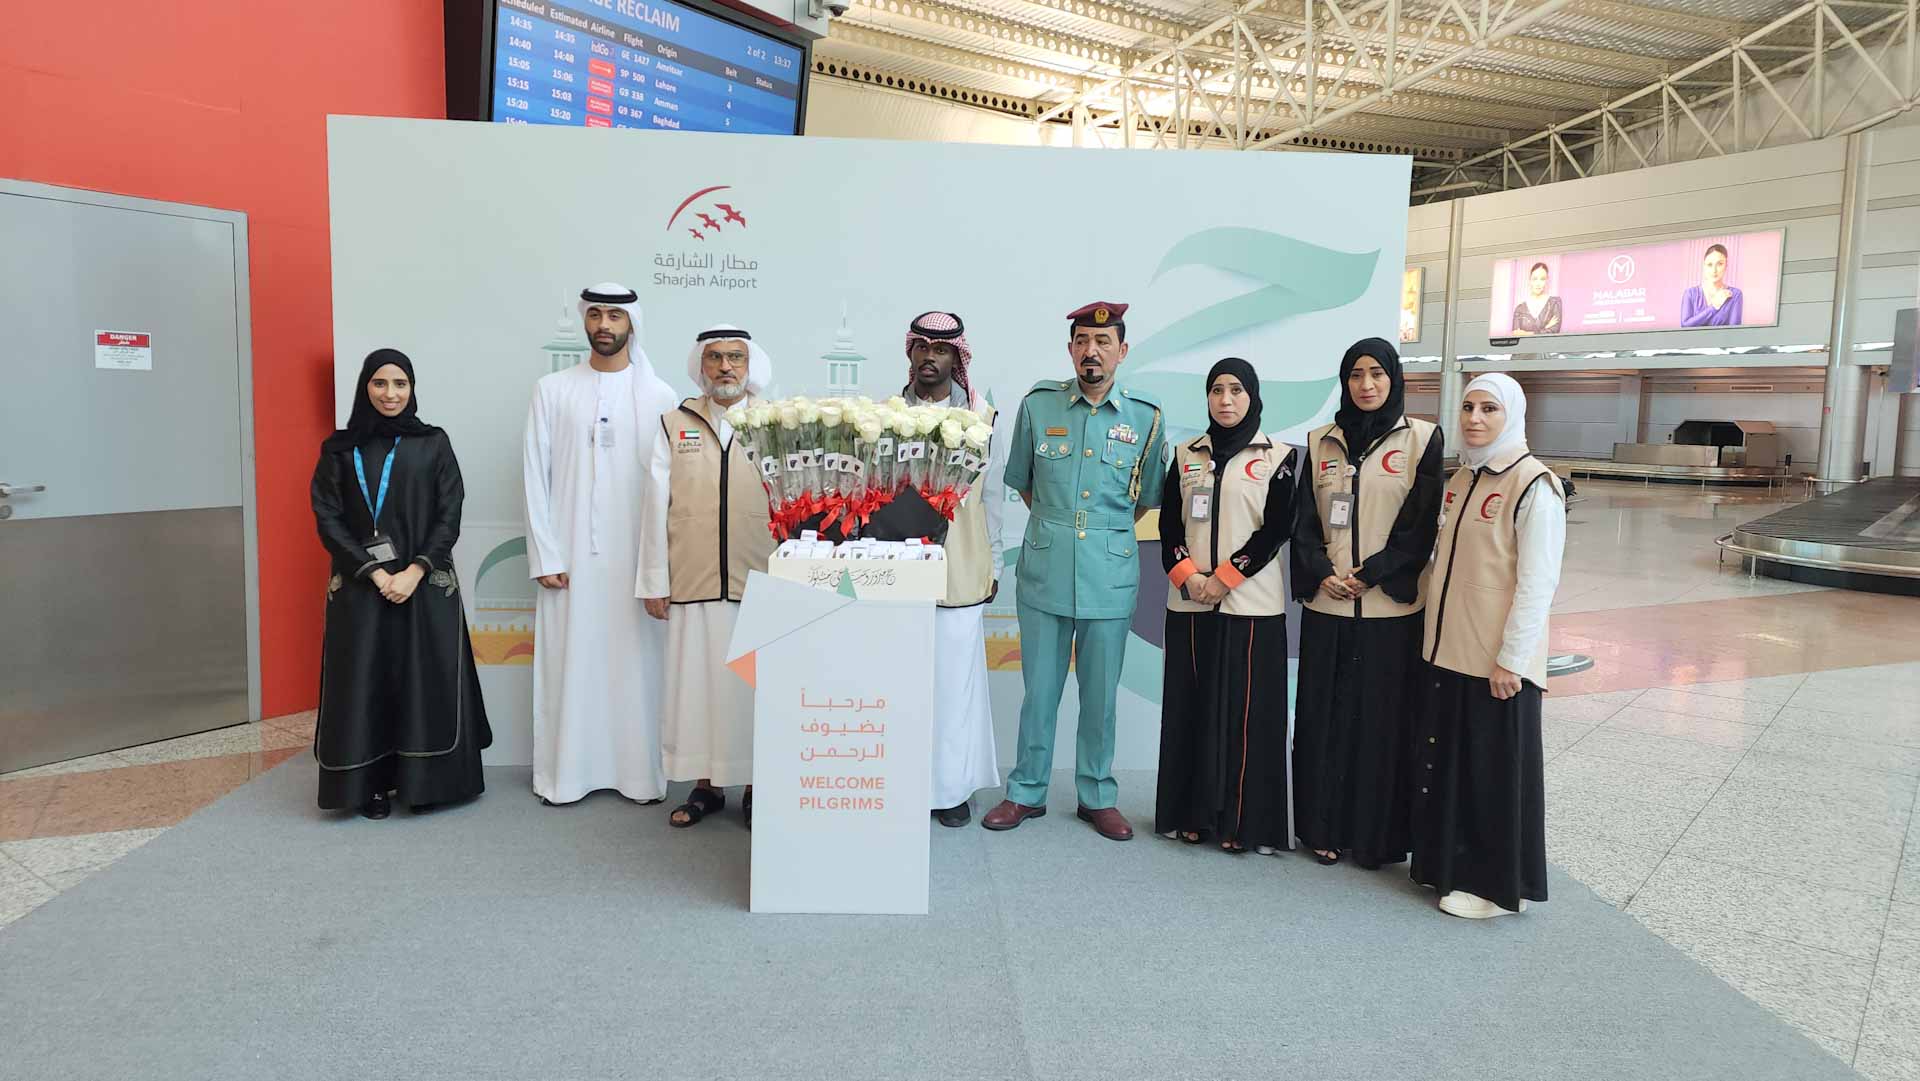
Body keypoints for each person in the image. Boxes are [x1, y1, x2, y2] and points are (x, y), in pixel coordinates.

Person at [983, 301, 1164, 842]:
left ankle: (1097, 794)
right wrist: (1063, 523)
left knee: (1100, 693)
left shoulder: (1145, 417)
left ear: (1122, 351)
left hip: (1109, 572)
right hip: (1046, 566)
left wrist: (1101, 529)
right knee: (1039, 691)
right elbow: (1023, 479)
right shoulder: (1040, 406)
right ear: (1070, 350)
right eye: (1083, 340)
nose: (1092, 351)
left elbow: (1146, 497)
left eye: (1103, 342)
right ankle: (1026, 790)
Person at [311, 348, 491, 819]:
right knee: (366, 681)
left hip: (424, 583)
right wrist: (373, 572)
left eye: (400, 384)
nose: (390, 394)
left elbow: (449, 513)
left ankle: (427, 782)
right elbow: (328, 518)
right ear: (364, 388)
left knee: (423, 679)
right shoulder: (340, 448)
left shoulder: (432, 442)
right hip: (360, 586)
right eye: (379, 384)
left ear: (412, 389)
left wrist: (413, 571)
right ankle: (367, 786)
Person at [1410, 372, 1564, 919]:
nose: (1475, 419)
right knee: (1453, 767)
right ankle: (1448, 867)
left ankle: (1496, 888)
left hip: (1495, 663)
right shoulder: (1461, 480)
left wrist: (1513, 660)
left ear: (1513, 417)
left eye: (1489, 410)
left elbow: (1538, 582)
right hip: (1451, 650)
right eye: (1469, 408)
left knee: (1493, 775)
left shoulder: (1533, 485)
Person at [522, 283, 678, 806]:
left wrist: (660, 566)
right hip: (569, 557)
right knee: (570, 661)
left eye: (615, 315)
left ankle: (639, 777)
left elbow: (672, 488)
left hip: (637, 559)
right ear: (585, 322)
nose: (605, 325)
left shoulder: (660, 396)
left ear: (632, 323)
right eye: (596, 314)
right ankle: (564, 777)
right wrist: (546, 553)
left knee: (637, 666)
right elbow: (534, 476)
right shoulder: (552, 389)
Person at [1290, 338, 1443, 868]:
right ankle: (1321, 828)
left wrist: (1372, 573)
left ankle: (1375, 838)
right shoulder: (1319, 442)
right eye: (1356, 375)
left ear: (1394, 377)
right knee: (1324, 721)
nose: (1367, 384)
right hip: (1328, 609)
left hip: (1389, 613)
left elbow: (1419, 525)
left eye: (1377, 373)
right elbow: (1304, 524)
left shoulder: (1422, 439)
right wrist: (1322, 573)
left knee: (1382, 725)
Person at [1154, 358, 1297, 853]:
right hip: (1191, 603)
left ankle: (1244, 825)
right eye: (1217, 390)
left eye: (1237, 390)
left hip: (1250, 607)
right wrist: (1189, 577)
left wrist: (1226, 578)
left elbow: (1277, 529)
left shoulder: (1279, 456)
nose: (1226, 399)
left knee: (1246, 718)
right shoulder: (1185, 455)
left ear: (1253, 396)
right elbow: (1169, 525)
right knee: (1191, 711)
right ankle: (1191, 814)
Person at [637, 325, 776, 829]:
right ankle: (705, 788)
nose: (725, 367)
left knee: (754, 690)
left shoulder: (774, 424)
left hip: (759, 581)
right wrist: (655, 579)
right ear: (701, 366)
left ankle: (759, 787)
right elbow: (655, 506)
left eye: (735, 358)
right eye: (715, 358)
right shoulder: (675, 424)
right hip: (692, 581)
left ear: (750, 365)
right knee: (697, 692)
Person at [902, 312, 1006, 828]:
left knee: (953, 686)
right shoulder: (884, 414)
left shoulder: (983, 417)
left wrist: (995, 562)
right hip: (897, 571)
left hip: (961, 569)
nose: (929, 358)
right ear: (910, 354)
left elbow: (993, 499)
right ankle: (898, 784)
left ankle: (951, 790)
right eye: (921, 348)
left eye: (940, 350)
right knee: (903, 682)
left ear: (956, 357)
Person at [1680, 243, 1744, 327]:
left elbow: (1734, 332)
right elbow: (1685, 325)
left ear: (1726, 266)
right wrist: (1714, 306)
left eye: (1720, 264)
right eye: (1710, 265)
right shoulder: (1690, 293)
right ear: (1704, 266)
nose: (1714, 270)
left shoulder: (1735, 294)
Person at [1511, 263, 1562, 336]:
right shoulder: (1520, 309)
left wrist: (1526, 333)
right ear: (1530, 280)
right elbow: (1516, 334)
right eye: (1535, 279)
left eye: (1542, 279)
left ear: (1547, 280)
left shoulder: (1555, 302)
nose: (1538, 283)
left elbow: (1554, 330)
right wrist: (1545, 328)